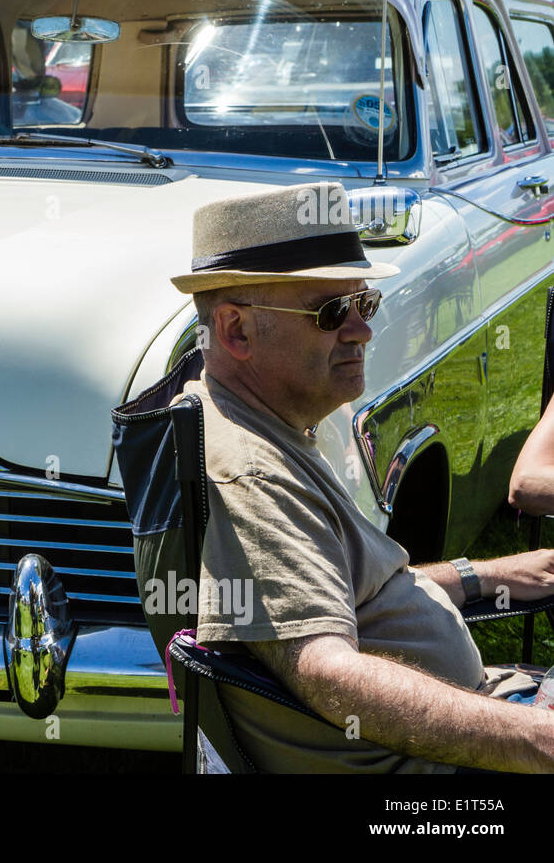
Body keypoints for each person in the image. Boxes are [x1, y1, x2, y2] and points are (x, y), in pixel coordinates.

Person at [169, 180, 554, 773]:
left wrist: (491, 574)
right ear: (235, 331)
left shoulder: (261, 423)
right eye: (330, 312)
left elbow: (347, 594)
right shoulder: (252, 472)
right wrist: (535, 738)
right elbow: (327, 670)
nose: (362, 330)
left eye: (364, 304)